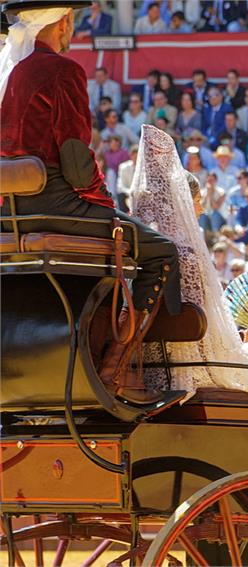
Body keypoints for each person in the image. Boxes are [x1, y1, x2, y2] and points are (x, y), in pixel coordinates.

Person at [0, 1, 180, 405]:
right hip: (57, 208)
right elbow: (78, 166)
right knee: (161, 252)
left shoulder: (11, 72)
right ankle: (114, 371)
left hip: (11, 215)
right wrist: (108, 203)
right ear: (62, 22)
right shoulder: (62, 70)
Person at [131, 126, 248, 442]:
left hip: (150, 366)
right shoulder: (187, 254)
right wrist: (244, 340)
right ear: (184, 201)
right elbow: (202, 326)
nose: (200, 211)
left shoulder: (137, 248)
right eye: (196, 204)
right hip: (193, 367)